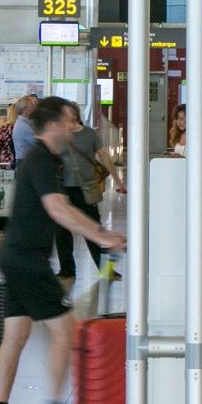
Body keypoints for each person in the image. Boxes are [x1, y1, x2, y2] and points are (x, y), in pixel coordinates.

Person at [0, 97, 125, 404]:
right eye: (68, 121)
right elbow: (58, 209)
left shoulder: (46, 159)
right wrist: (101, 236)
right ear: (53, 125)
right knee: (65, 331)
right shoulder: (41, 158)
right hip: (27, 260)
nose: (73, 127)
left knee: (15, 337)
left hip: (15, 256)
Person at [57, 100, 124, 278]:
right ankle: (66, 269)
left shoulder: (89, 134)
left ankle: (106, 270)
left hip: (85, 189)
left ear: (74, 115)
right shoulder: (60, 135)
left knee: (94, 229)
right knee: (62, 231)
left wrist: (118, 181)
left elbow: (104, 157)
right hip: (63, 188)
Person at [11, 95, 38, 164]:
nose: (34, 109)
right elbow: (37, 144)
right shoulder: (24, 127)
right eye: (32, 107)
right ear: (24, 109)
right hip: (24, 161)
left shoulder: (22, 123)